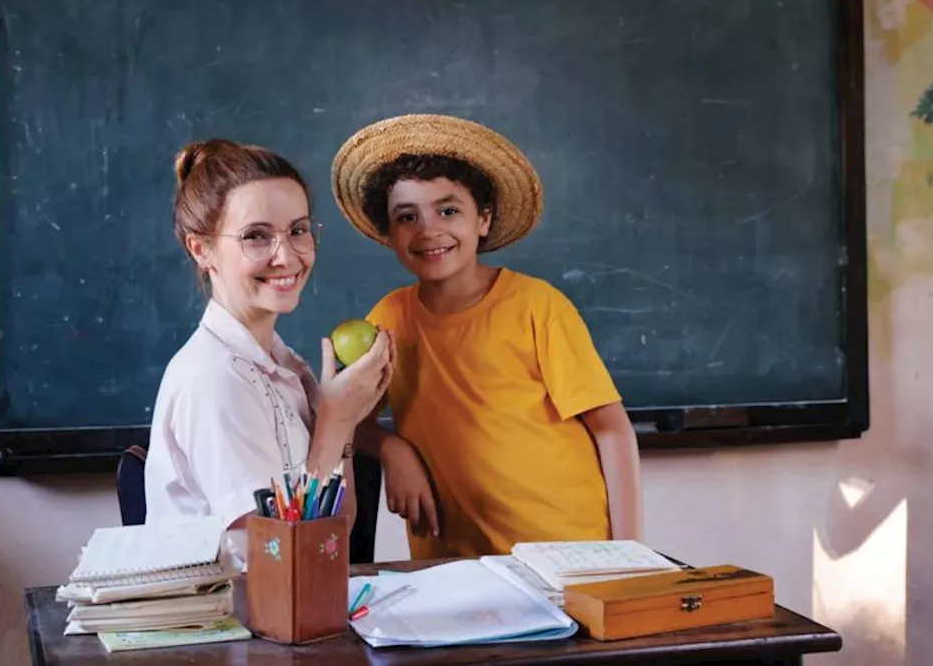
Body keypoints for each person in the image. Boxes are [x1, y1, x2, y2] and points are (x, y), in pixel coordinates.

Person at [330, 114, 642, 559]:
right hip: (454, 563)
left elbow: (612, 431)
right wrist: (391, 448)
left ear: (484, 219)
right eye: (407, 217)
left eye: (449, 210)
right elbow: (345, 418)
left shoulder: (538, 305)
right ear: (391, 233)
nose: (428, 229)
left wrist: (629, 557)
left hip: (568, 555)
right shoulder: (388, 319)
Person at [144, 138, 392, 565]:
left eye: (298, 230)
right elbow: (286, 562)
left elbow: (338, 537)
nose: (287, 256)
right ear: (200, 248)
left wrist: (345, 424)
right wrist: (333, 421)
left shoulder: (280, 364)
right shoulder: (216, 381)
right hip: (229, 624)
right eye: (256, 236)